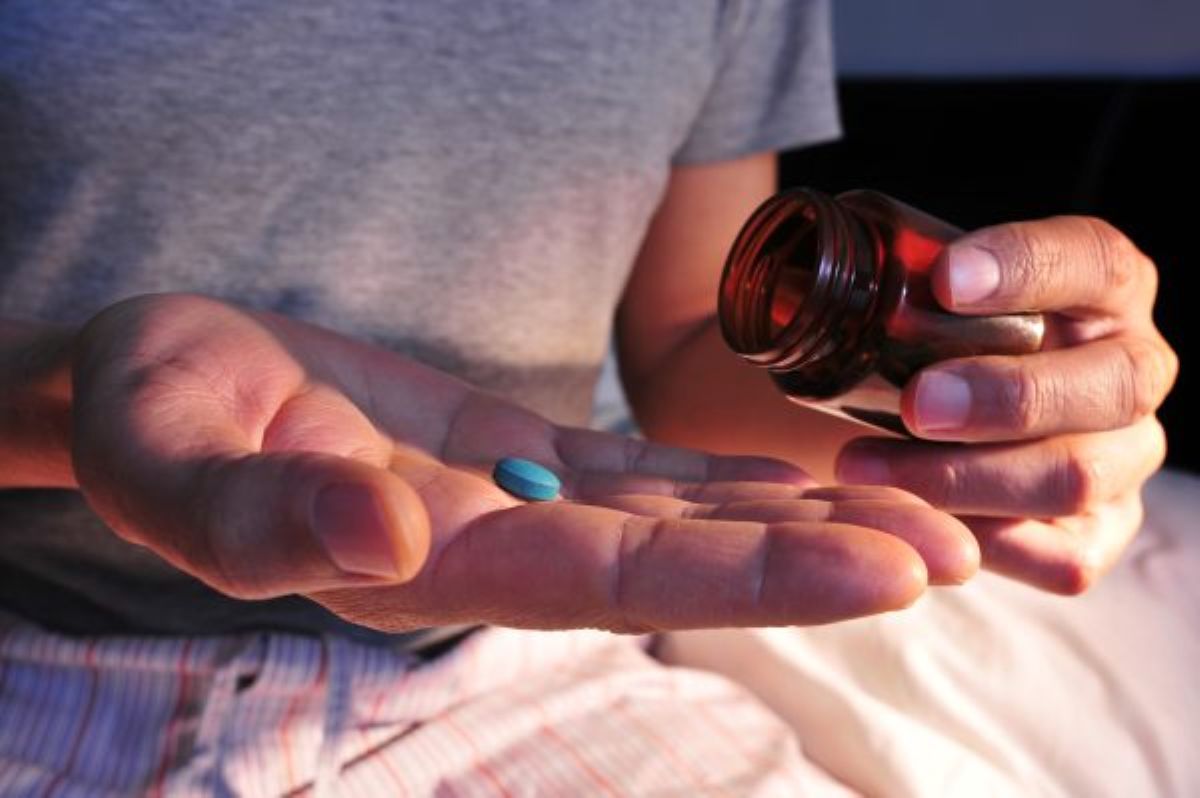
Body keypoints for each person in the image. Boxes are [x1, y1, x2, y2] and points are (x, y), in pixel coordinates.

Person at [0, 1, 1181, 795]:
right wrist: (76, 400)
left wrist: (980, 408)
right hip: (30, 659)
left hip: (507, 665)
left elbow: (693, 341)